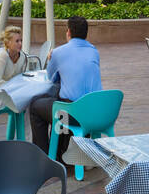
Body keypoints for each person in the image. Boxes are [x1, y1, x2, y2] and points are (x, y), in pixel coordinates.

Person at [29, 16, 103, 159]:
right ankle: (61, 151)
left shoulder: (58, 52)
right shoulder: (94, 51)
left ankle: (43, 156)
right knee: (61, 100)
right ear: (86, 33)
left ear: (68, 32)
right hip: (96, 113)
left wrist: (52, 58)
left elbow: (50, 78)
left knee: (36, 106)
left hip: (73, 115)